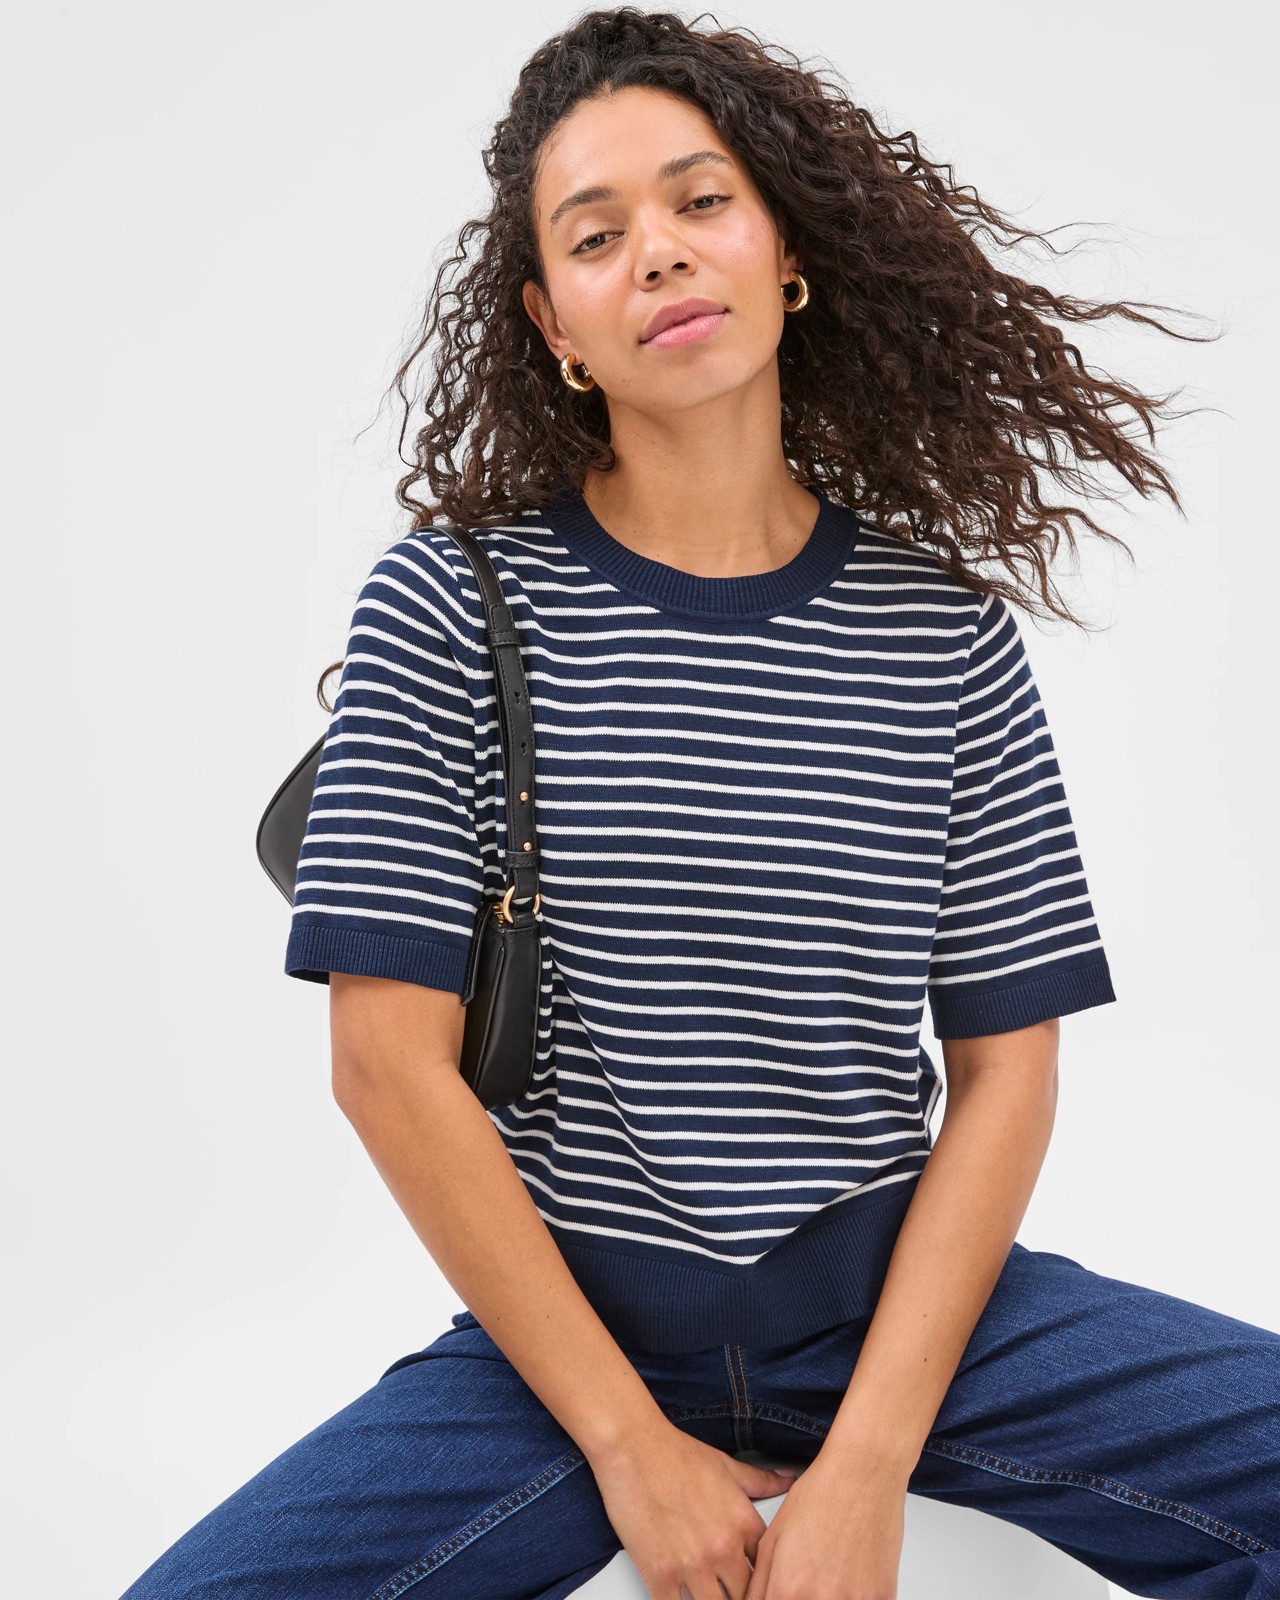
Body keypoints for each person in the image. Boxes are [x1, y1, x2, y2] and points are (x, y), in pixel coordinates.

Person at [118, 8, 1280, 1599]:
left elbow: (1007, 1067)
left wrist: (867, 1464)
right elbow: (386, 1067)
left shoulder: (943, 635)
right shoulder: (448, 607)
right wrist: (627, 1445)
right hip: (574, 1342)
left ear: (784, 251)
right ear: (554, 325)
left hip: (909, 1315)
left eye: (702, 200)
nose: (657, 252)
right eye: (595, 236)